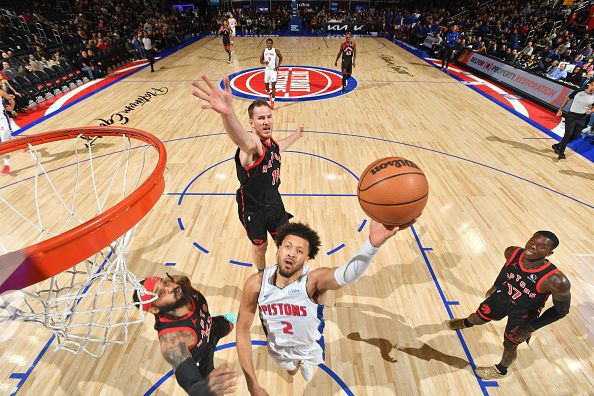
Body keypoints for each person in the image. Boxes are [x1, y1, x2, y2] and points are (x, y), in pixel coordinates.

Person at [235, 220, 410, 394]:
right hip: (277, 347)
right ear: (279, 248)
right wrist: (253, 385)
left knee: (308, 368)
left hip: (310, 347)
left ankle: (304, 362)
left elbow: (347, 274)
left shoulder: (313, 281)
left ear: (307, 258)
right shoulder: (256, 284)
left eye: (299, 251)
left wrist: (372, 245)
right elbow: (242, 330)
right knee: (290, 369)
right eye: (287, 247)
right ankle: (294, 366)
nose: (292, 254)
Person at [191, 76, 304, 271]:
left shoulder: (271, 144)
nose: (266, 121)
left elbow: (279, 148)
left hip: (274, 201)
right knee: (261, 247)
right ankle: (261, 275)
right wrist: (227, 115)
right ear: (252, 123)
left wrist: (295, 136)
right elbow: (243, 140)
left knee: (286, 242)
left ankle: (284, 275)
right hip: (253, 208)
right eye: (261, 118)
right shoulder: (252, 145)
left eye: (269, 116)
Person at [446, 231, 571, 380]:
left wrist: (530, 328)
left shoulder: (556, 281)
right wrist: (496, 284)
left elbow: (561, 311)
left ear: (549, 253)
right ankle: (466, 322)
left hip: (524, 313)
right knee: (478, 317)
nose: (533, 246)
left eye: (541, 246)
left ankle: (500, 370)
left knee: (510, 344)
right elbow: (507, 267)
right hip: (503, 297)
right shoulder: (513, 252)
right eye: (532, 240)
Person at [133, 273, 237, 395]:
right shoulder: (172, 341)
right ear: (155, 309)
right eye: (160, 293)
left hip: (210, 328)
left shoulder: (181, 283)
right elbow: (193, 387)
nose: (170, 288)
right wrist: (203, 388)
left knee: (230, 322)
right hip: (202, 358)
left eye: (165, 282)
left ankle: (205, 323)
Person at [553, 81, 594, 159]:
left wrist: (590, 111)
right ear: (589, 85)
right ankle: (561, 152)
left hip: (582, 118)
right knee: (568, 134)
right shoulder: (578, 91)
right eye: (592, 85)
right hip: (572, 116)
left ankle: (558, 146)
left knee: (575, 136)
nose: (593, 88)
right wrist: (560, 109)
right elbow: (567, 99)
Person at [260, 38, 282, 109]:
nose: (269, 44)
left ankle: (272, 102)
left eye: (270, 43)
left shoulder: (276, 51)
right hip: (267, 70)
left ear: (272, 44)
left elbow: (281, 58)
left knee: (273, 86)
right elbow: (260, 60)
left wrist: (278, 65)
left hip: (273, 70)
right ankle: (269, 93)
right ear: (266, 44)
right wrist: (264, 62)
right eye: (267, 43)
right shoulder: (264, 50)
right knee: (266, 86)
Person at [1, 87, 16, 174]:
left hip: (2, 120)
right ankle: (24, 144)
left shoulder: (0, 92)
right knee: (9, 136)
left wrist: (11, 107)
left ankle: (7, 165)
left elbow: (11, 99)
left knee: (5, 143)